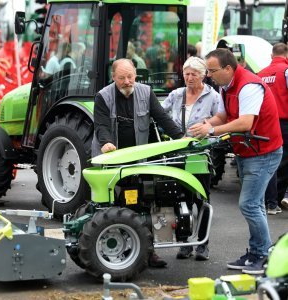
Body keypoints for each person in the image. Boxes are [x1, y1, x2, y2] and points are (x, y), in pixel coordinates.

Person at [189, 48, 283, 275]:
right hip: (248, 151)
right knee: (256, 205)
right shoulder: (226, 86)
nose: (209, 75)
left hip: (263, 152)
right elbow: (222, 116)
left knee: (249, 204)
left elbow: (245, 123)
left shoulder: (249, 85)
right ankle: (257, 251)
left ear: (228, 69)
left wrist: (211, 129)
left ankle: (263, 255)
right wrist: (202, 126)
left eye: (212, 71)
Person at [92, 58, 184, 267]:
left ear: (136, 75)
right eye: (122, 78)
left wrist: (180, 137)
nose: (127, 81)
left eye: (130, 76)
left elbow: (162, 118)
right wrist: (106, 143)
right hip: (113, 160)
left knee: (145, 203)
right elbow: (101, 125)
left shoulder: (146, 92)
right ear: (113, 77)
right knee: (115, 205)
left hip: (140, 158)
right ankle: (119, 252)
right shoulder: (103, 97)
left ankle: (148, 252)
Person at [162, 56, 221, 261]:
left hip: (201, 154)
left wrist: (207, 125)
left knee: (202, 199)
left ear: (203, 75)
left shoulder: (213, 96)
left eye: (193, 74)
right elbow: (160, 114)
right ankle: (185, 243)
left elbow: (222, 118)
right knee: (180, 199)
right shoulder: (177, 94)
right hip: (178, 153)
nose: (189, 77)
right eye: (186, 74)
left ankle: (203, 245)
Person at [257, 43, 288, 214]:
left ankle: (270, 203)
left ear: (271, 56)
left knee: (270, 163)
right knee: (283, 163)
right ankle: (276, 200)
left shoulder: (260, 74)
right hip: (285, 123)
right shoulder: (286, 71)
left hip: (266, 124)